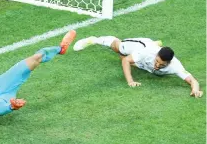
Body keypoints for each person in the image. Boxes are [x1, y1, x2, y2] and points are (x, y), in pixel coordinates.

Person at [73, 35, 203, 97]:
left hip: (143, 64)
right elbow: (126, 62)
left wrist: (195, 90)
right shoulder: (146, 52)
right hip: (141, 45)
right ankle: (93, 40)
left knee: (124, 59)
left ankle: (155, 42)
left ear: (168, 63)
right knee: (119, 49)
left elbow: (192, 80)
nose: (157, 65)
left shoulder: (175, 65)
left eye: (161, 65)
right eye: (157, 61)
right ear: (156, 54)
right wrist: (131, 81)